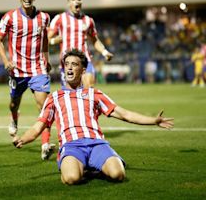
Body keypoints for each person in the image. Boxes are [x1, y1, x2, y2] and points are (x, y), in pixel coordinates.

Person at [13, 50, 174, 185]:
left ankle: (90, 166)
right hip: (71, 146)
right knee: (71, 178)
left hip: (97, 144)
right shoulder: (54, 97)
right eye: (67, 64)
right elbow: (37, 127)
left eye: (74, 64)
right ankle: (80, 166)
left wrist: (154, 120)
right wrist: (23, 139)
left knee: (118, 175)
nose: (69, 68)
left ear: (83, 71)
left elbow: (124, 114)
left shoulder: (94, 94)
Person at [0, 0, 55, 160]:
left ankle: (45, 144)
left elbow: (44, 41)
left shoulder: (44, 17)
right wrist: (6, 61)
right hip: (17, 70)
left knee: (44, 107)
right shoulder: (10, 17)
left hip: (38, 68)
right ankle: (14, 118)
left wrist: (47, 59)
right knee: (14, 103)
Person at [48, 0, 114, 87]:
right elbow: (47, 39)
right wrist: (54, 40)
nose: (77, 1)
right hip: (67, 61)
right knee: (70, 94)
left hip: (84, 59)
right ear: (68, 2)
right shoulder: (59, 19)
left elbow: (95, 40)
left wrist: (104, 52)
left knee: (89, 87)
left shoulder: (88, 20)